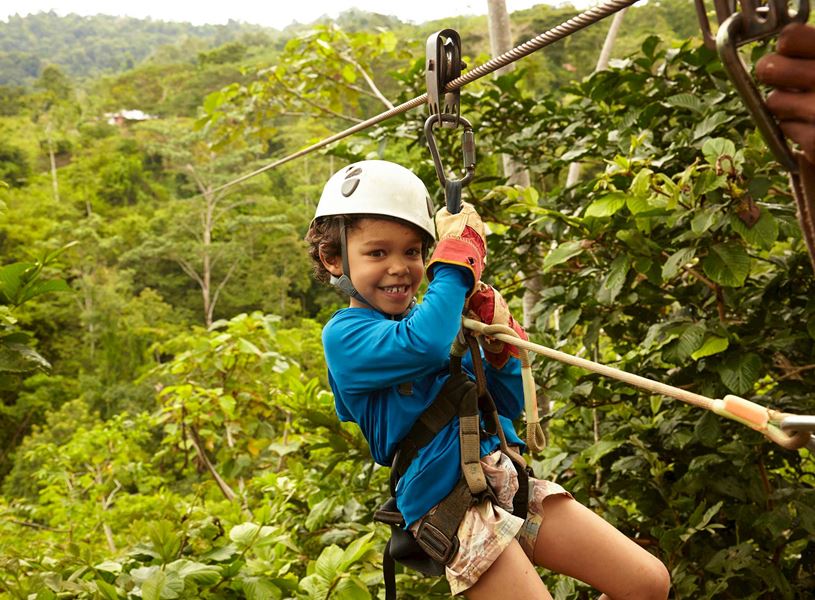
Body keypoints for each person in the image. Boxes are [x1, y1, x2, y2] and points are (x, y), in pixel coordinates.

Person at [306, 159, 670, 599]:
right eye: (377, 253)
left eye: (413, 252)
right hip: (444, 503)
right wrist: (457, 265)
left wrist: (499, 353)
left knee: (648, 583)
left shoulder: (433, 322)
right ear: (333, 259)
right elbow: (424, 346)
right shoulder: (346, 336)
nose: (400, 267)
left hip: (501, 476)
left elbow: (503, 403)